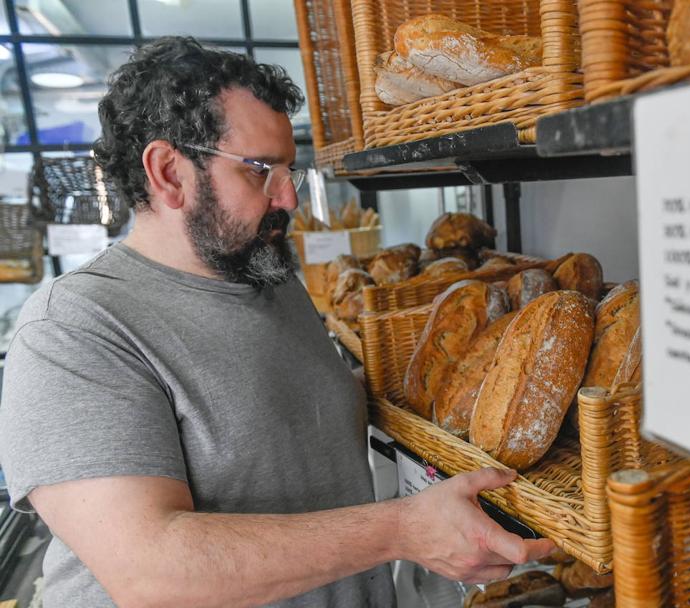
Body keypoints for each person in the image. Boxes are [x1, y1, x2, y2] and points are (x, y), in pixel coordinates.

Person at [0, 37, 553, 607]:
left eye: (290, 168)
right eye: (261, 170)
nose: (288, 197)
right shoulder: (73, 331)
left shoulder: (268, 279)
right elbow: (151, 573)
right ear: (168, 172)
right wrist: (402, 529)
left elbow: (284, 426)